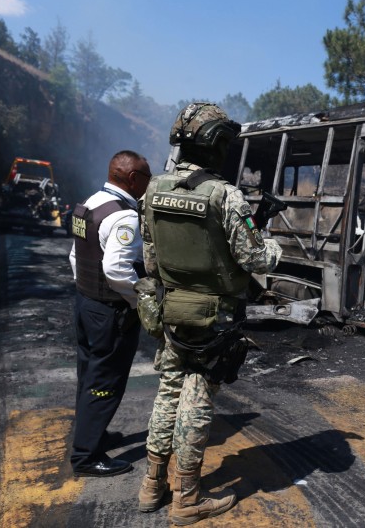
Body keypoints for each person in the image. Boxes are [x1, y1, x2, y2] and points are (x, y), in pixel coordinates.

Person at [137, 103, 281, 525]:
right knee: (196, 398)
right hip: (214, 318)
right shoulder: (224, 195)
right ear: (216, 145)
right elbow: (256, 258)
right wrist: (272, 245)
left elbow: (150, 261)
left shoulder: (153, 189)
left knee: (168, 391)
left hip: (171, 310)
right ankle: (187, 498)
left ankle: (152, 484)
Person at [68, 150, 152, 477]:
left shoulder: (89, 203)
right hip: (109, 311)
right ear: (133, 179)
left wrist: (87, 289)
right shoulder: (124, 217)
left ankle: (91, 434)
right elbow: (117, 269)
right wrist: (138, 299)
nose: (149, 184)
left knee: (89, 374)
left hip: (85, 303)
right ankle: (86, 456)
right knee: (105, 381)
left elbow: (76, 256)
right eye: (147, 177)